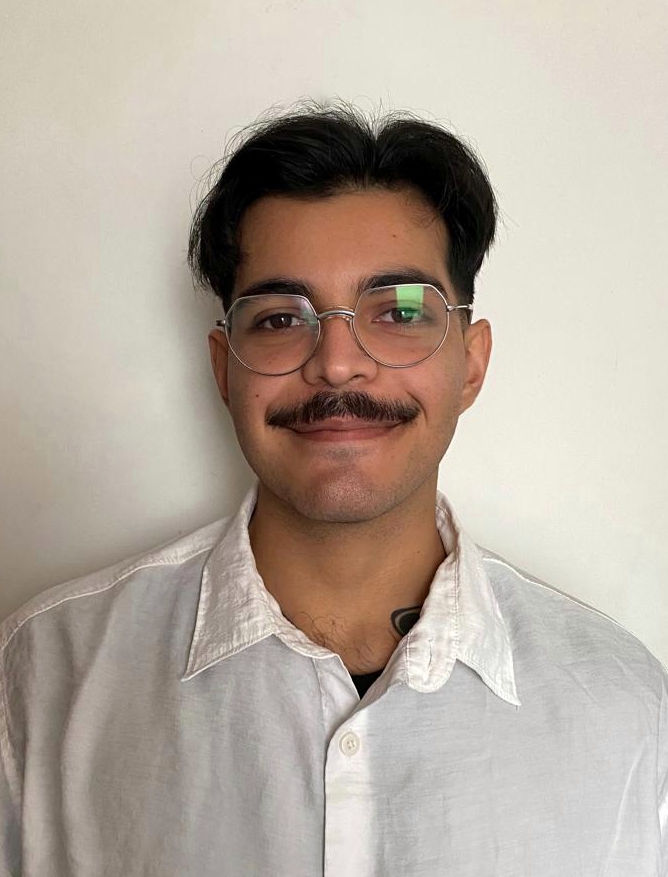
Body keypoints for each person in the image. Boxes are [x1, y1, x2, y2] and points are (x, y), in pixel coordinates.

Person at [1, 103, 666, 876]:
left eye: (401, 311)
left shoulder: (626, 709)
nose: (338, 362)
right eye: (281, 319)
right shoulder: (47, 678)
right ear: (224, 370)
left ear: (472, 363)